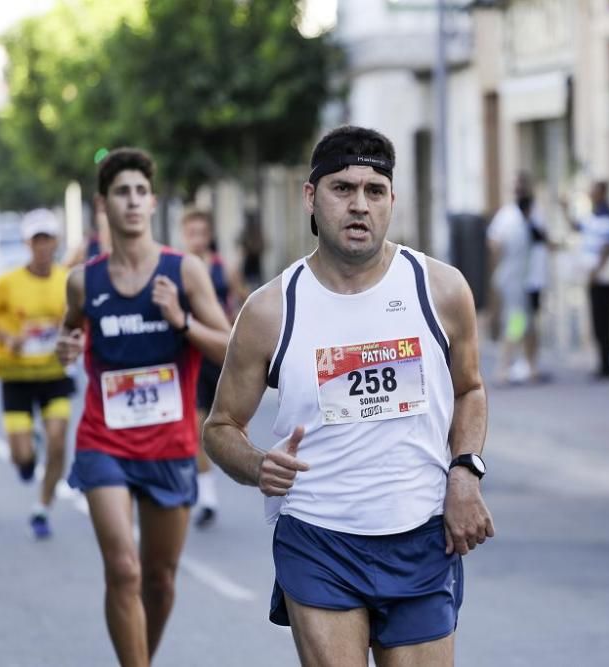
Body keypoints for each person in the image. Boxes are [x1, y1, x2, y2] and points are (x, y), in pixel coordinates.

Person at [203, 125, 494, 667]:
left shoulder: (440, 289)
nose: (359, 205)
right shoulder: (272, 310)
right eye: (342, 189)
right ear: (311, 197)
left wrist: (465, 473)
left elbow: (470, 389)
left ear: (391, 200)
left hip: (421, 533)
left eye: (374, 190)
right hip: (319, 537)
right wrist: (257, 465)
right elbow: (219, 428)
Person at [55, 147, 230, 667]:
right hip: (103, 440)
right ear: (102, 205)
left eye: (139, 192)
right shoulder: (84, 281)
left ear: (152, 203)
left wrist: (180, 320)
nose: (131, 202)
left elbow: (231, 347)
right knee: (124, 570)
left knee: (159, 579)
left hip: (169, 445)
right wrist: (65, 346)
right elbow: (69, 330)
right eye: (120, 193)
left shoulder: (185, 272)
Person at [0, 209, 73, 539]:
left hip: (53, 373)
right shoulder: (7, 281)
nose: (43, 246)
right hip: (15, 374)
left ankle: (42, 508)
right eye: (36, 240)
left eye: (48, 239)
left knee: (59, 441)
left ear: (56, 242)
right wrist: (7, 337)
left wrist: (71, 337)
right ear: (28, 243)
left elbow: (78, 322)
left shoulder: (67, 281)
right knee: (21, 456)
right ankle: (28, 457)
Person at [179, 208, 240, 528]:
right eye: (192, 233)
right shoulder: (176, 271)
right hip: (192, 357)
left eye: (202, 233)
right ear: (183, 235)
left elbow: (243, 301)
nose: (197, 239)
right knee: (197, 427)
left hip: (221, 355)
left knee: (229, 423)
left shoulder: (223, 269)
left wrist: (235, 325)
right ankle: (207, 496)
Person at [487, 171, 548, 383]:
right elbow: (494, 244)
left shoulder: (536, 214)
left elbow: (543, 240)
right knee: (517, 321)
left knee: (530, 324)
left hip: (532, 279)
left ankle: (531, 366)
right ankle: (504, 366)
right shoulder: (508, 216)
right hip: (513, 279)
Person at [573, 180, 609, 379]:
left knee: (604, 320)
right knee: (598, 321)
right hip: (596, 276)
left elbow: (607, 248)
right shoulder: (593, 216)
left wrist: (595, 272)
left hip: (604, 279)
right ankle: (603, 362)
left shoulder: (607, 217)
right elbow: (577, 227)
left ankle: (607, 364)